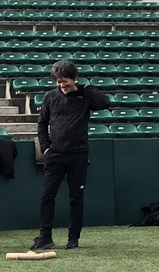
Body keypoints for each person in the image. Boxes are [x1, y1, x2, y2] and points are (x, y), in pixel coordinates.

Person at [30, 60, 110, 250]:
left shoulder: (85, 95)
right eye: (58, 81)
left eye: (65, 81)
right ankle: (45, 236)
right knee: (47, 196)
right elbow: (42, 124)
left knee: (76, 198)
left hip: (78, 153)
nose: (62, 85)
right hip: (55, 154)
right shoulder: (50, 97)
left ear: (74, 78)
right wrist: (45, 148)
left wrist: (88, 89)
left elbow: (105, 103)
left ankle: (73, 238)